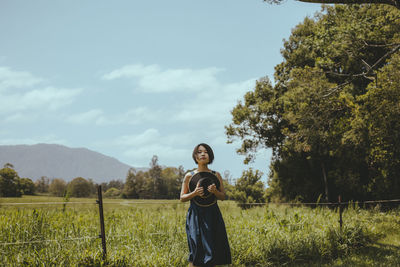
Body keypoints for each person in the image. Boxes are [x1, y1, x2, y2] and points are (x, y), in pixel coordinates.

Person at [180, 143, 231, 267]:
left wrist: (215, 191)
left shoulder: (216, 175)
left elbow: (223, 197)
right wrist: (194, 193)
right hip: (195, 215)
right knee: (196, 248)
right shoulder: (189, 176)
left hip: (213, 214)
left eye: (206, 152)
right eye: (199, 152)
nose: (203, 154)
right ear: (195, 156)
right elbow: (182, 198)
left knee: (211, 249)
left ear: (210, 156)